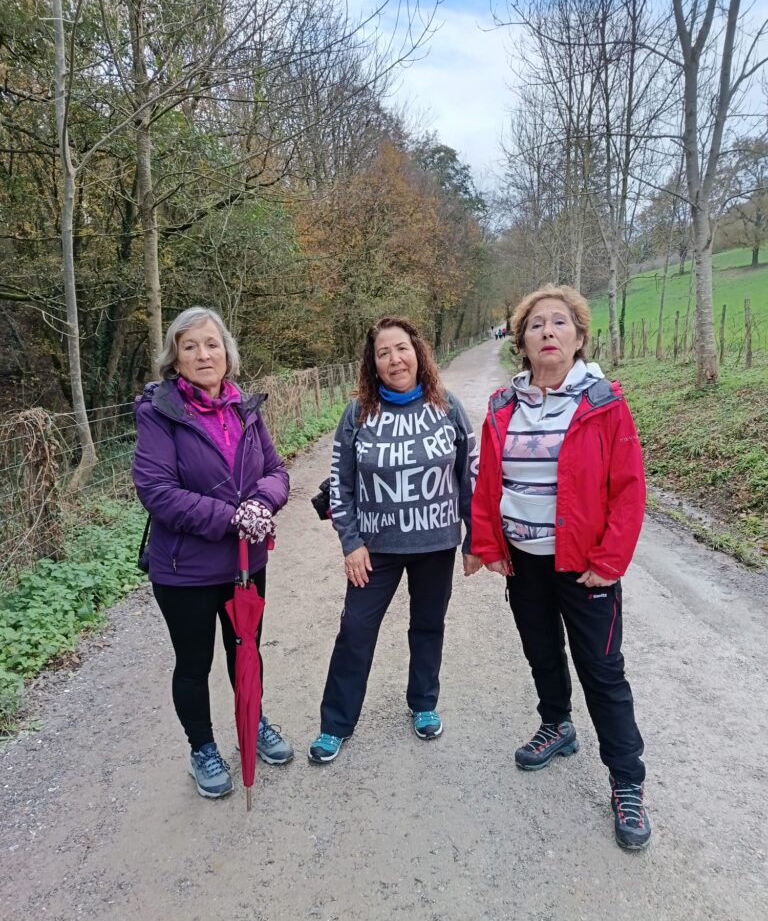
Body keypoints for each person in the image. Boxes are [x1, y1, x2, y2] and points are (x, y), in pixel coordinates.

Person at [471, 285, 650, 850]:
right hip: (524, 562)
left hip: (585, 566)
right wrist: (488, 545)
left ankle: (626, 781)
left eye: (560, 322)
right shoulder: (503, 407)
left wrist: (610, 561)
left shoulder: (603, 403)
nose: (547, 331)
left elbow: (629, 488)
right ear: (521, 342)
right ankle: (557, 724)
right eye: (536, 324)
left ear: (578, 338)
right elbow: (488, 482)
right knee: (542, 651)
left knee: (602, 671)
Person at [133, 307, 293, 799]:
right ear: (175, 358)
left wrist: (261, 503)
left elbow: (276, 471)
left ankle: (251, 719)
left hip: (246, 564)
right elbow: (157, 490)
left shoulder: (245, 407)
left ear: (227, 352)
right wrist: (232, 518)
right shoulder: (159, 413)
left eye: (211, 344)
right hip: (185, 569)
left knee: (246, 650)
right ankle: (202, 747)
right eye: (190, 346)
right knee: (193, 662)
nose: (203, 354)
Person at [308, 316, 481, 763]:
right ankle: (335, 724)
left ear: (417, 353)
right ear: (373, 363)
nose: (394, 359)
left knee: (428, 625)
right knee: (355, 630)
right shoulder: (358, 414)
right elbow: (341, 484)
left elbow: (470, 476)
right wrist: (350, 543)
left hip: (434, 543)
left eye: (401, 348)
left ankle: (423, 703)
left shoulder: (447, 406)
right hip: (374, 549)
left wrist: (474, 539)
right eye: (383, 353)